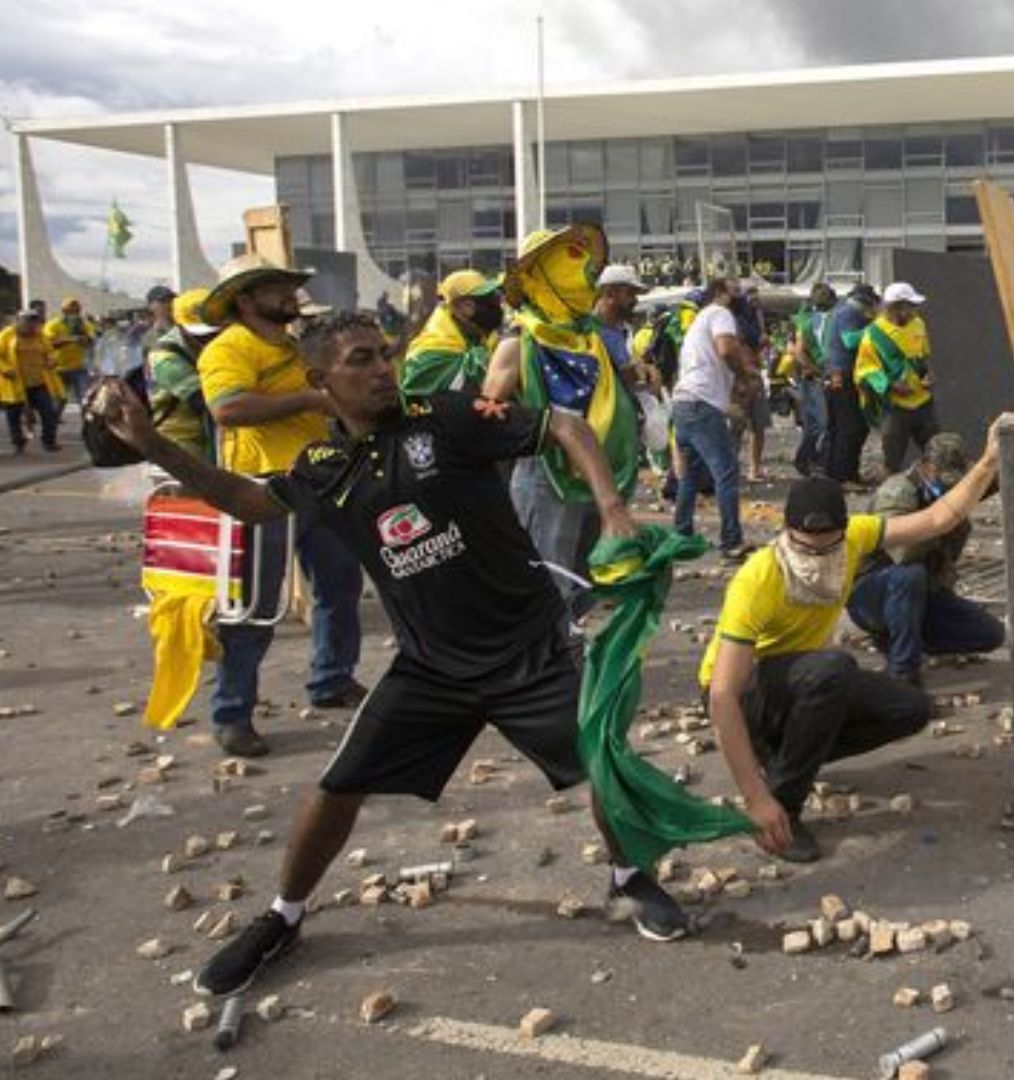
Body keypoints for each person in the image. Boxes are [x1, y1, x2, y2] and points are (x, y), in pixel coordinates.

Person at [87, 309, 706, 997]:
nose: (382, 367)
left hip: (529, 650)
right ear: (319, 379)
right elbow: (244, 499)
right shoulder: (322, 466)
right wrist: (150, 441)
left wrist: (613, 507)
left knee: (603, 762)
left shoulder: (447, 414)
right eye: (360, 359)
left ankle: (627, 877)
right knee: (336, 787)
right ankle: (283, 917)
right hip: (431, 667)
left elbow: (564, 425)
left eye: (383, 353)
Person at [700, 437, 1001, 863]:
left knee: (910, 707)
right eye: (806, 546)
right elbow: (721, 694)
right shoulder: (758, 578)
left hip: (801, 680)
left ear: (844, 533)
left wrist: (987, 461)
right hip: (747, 694)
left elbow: (937, 519)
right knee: (833, 669)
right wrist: (754, 799)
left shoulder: (857, 537)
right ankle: (782, 807)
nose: (818, 557)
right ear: (787, 532)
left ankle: (784, 758)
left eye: (829, 546)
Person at [199, 254, 368, 757]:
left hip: (317, 478)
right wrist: (308, 402)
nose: (288, 295)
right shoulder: (229, 348)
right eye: (275, 288)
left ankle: (332, 679)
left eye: (288, 286)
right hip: (258, 487)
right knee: (254, 604)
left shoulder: (296, 348)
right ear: (246, 300)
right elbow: (228, 407)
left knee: (339, 583)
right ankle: (232, 712)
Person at [483, 226, 642, 614]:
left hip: (595, 470)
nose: (584, 274)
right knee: (548, 577)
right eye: (569, 264)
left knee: (587, 575)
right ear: (543, 277)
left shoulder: (590, 339)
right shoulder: (519, 342)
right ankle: (548, 658)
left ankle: (562, 642)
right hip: (545, 472)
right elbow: (487, 413)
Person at [848, 434, 1005, 685]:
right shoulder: (897, 492)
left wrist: (991, 460)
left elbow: (990, 480)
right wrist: (943, 518)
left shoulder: (947, 486)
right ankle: (903, 674)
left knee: (989, 634)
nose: (952, 488)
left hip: (923, 593)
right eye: (946, 480)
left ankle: (903, 636)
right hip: (874, 591)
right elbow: (904, 552)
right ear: (927, 467)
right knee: (910, 576)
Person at [669, 278, 757, 559]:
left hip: (683, 402)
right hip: (702, 403)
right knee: (726, 472)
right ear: (719, 294)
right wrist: (744, 374)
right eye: (735, 292)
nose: (740, 296)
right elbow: (726, 350)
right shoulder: (720, 313)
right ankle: (731, 541)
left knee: (690, 475)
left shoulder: (697, 321)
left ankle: (681, 535)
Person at [856, 282, 938, 474]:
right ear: (896, 307)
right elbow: (865, 372)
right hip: (895, 408)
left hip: (923, 402)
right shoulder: (873, 336)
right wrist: (892, 386)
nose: (915, 311)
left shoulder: (918, 324)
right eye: (911, 306)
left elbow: (923, 356)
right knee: (892, 459)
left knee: (937, 452)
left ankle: (939, 494)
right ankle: (891, 494)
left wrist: (929, 374)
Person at [144, 288, 222, 462]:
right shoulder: (164, 357)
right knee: (193, 486)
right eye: (200, 334)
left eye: (214, 332)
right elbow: (205, 400)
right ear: (179, 324)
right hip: (181, 439)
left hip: (209, 432)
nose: (209, 338)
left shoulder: (214, 344)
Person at [400, 270, 505, 396]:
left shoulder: (471, 332)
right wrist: (503, 347)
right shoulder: (431, 347)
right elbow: (460, 385)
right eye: (491, 300)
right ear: (466, 307)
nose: (499, 306)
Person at [823, 283, 880, 486]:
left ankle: (837, 475)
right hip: (844, 376)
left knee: (839, 428)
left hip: (836, 374)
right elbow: (850, 341)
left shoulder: (839, 312)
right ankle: (844, 476)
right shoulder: (849, 313)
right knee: (851, 427)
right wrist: (875, 326)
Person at [785, 283, 835, 478]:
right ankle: (809, 461)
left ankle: (807, 460)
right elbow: (797, 351)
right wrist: (815, 370)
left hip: (808, 378)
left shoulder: (806, 320)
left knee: (814, 424)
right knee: (821, 424)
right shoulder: (810, 322)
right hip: (813, 378)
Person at [0, 311, 61, 453]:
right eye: (27, 321)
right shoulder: (7, 335)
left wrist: (52, 360)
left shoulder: (40, 335)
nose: (31, 325)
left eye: (34, 322)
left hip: (38, 382)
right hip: (15, 383)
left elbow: (50, 352)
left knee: (49, 413)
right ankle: (18, 442)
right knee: (14, 416)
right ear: (19, 321)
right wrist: (5, 369)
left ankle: (49, 442)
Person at [730, 281, 772, 482]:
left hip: (755, 372)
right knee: (736, 425)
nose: (753, 298)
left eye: (756, 294)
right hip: (740, 376)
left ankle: (754, 468)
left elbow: (761, 344)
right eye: (749, 294)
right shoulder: (733, 319)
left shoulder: (757, 317)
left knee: (759, 423)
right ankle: (732, 468)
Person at [45, 297, 97, 407]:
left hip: (78, 367)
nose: (74, 314)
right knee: (60, 400)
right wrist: (70, 339)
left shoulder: (83, 324)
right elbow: (49, 344)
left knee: (86, 398)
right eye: (70, 311)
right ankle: (52, 421)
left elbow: (91, 340)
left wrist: (85, 337)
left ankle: (87, 423)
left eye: (76, 311)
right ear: (63, 312)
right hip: (57, 368)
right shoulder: (53, 325)